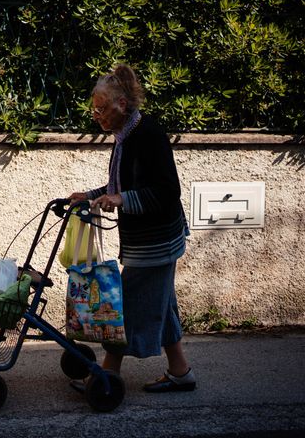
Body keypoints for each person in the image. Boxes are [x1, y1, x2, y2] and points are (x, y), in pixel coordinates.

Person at [68, 64, 195, 392]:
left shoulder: (148, 135)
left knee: (122, 306)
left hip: (157, 243)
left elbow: (167, 192)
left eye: (101, 108)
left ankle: (107, 376)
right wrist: (93, 195)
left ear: (121, 105)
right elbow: (120, 185)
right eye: (93, 108)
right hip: (149, 242)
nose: (96, 115)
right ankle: (181, 372)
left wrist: (122, 200)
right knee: (163, 305)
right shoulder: (126, 136)